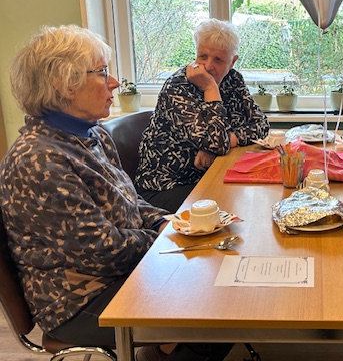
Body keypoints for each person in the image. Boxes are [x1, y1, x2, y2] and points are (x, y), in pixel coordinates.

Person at [0, 25, 233, 361]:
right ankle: (166, 348)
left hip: (120, 269)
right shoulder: (39, 160)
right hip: (79, 299)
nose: (113, 82)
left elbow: (131, 200)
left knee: (218, 284)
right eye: (101, 72)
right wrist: (169, 238)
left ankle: (164, 348)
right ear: (64, 85)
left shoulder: (91, 135)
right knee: (215, 316)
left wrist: (168, 222)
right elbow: (102, 251)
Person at [135, 18, 269, 212]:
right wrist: (210, 89)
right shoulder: (177, 87)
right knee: (235, 209)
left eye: (218, 60)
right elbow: (217, 143)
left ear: (233, 61)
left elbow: (261, 125)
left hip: (208, 177)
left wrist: (228, 140)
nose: (208, 65)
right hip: (166, 186)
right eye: (203, 56)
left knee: (254, 200)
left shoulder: (233, 79)